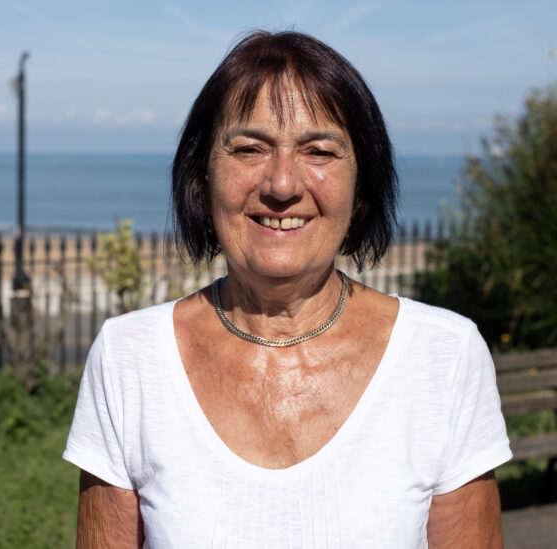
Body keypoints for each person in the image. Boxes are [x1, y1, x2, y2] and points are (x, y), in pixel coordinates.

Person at [63, 30, 512, 548]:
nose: (281, 185)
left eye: (319, 151)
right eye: (249, 149)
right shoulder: (129, 358)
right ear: (201, 176)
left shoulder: (445, 358)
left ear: (361, 184)